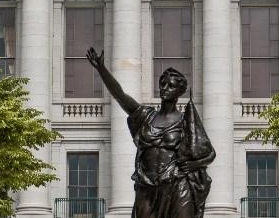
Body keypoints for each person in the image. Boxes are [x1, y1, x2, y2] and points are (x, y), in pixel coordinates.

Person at [86, 48, 215, 218]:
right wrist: (102, 69)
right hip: (147, 184)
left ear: (179, 91)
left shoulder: (186, 122)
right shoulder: (146, 116)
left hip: (177, 183)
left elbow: (210, 154)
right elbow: (120, 96)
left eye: (171, 86)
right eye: (163, 84)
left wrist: (193, 165)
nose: (165, 88)